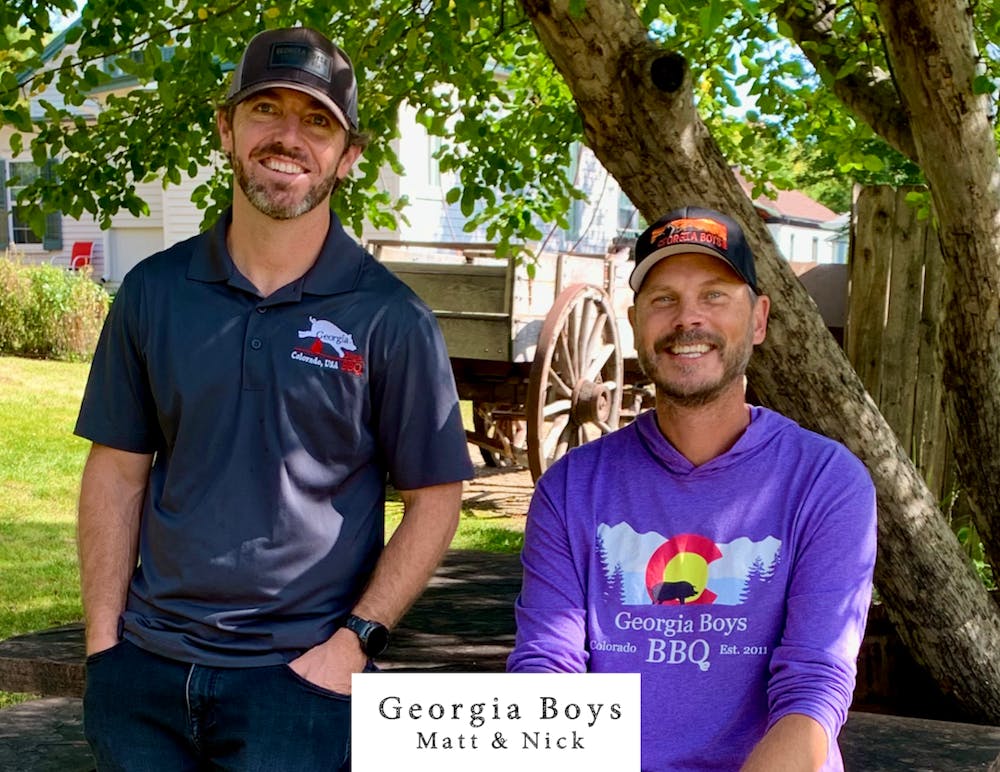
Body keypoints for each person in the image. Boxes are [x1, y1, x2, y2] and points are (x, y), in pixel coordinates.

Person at [75, 26, 473, 770]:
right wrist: (105, 643)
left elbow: (435, 499)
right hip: (145, 679)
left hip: (301, 690)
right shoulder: (152, 294)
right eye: (266, 110)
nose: (288, 137)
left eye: (318, 121)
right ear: (227, 129)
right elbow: (117, 470)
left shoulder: (389, 319)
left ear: (348, 157)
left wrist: (353, 646)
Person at [507, 206, 876, 771]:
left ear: (758, 319)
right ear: (636, 322)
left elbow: (813, 688)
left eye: (714, 296)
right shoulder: (571, 487)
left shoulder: (826, 481)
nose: (687, 319)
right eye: (663, 299)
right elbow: (547, 664)